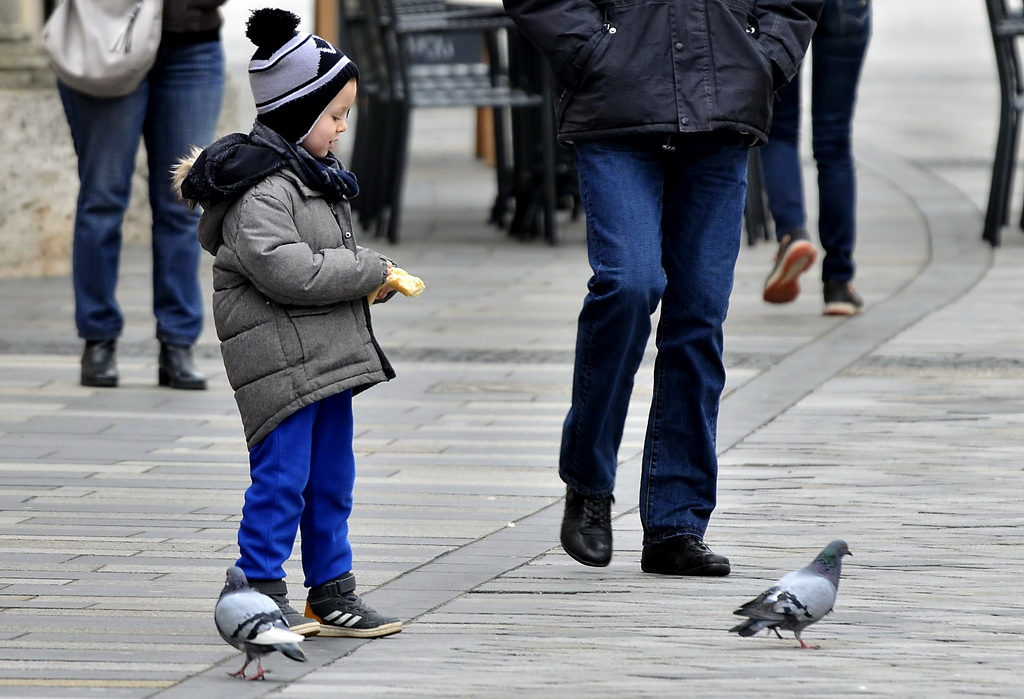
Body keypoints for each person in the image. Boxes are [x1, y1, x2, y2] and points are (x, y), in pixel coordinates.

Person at [502, 0, 822, 574]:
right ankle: (589, 479)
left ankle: (677, 521)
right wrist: (594, 49)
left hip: (723, 104)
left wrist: (763, 56)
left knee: (699, 314)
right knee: (629, 284)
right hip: (616, 102)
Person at [175, 8, 403, 638]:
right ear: (298, 114)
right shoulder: (263, 192)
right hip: (281, 367)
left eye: (345, 114)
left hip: (323, 359)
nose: (342, 126)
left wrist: (367, 286)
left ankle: (331, 591)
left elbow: (320, 271)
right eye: (334, 115)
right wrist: (365, 270)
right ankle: (257, 590)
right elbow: (290, 272)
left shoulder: (312, 179)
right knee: (282, 480)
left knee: (333, 479)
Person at [58, 0, 228, 390]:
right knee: (103, 197)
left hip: (193, 43)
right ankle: (97, 338)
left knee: (183, 200)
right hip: (109, 37)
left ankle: (177, 342)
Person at [760, 0, 872, 315]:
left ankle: (792, 233)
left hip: (780, 7)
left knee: (779, 129)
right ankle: (838, 282)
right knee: (834, 139)